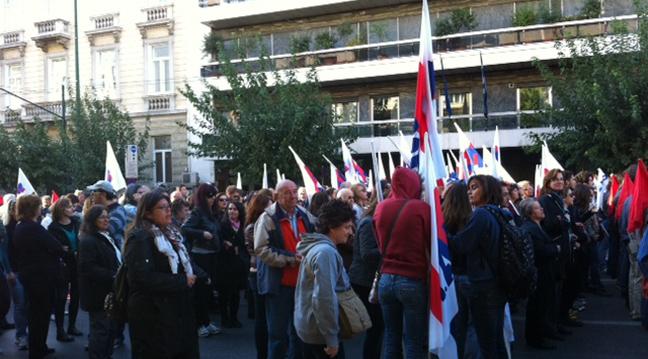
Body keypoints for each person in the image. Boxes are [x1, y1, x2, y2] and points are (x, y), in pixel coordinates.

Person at [123, 190, 199, 358]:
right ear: (148, 213)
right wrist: (182, 281)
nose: (168, 211)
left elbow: (182, 261)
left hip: (173, 311)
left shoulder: (170, 233)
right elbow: (141, 278)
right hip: (153, 315)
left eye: (169, 207)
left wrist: (199, 274)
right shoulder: (140, 238)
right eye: (162, 208)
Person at [254, 179, 316, 359]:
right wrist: (290, 259)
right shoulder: (267, 218)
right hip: (278, 285)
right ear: (277, 197)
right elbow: (261, 250)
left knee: (299, 333)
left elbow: (314, 235)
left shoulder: (303, 214)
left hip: (301, 283)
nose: (293, 196)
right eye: (287, 192)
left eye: (294, 191)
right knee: (278, 336)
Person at [449, 175, 508, 359]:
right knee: (496, 340)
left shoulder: (481, 214)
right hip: (497, 283)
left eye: (474, 187)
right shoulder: (499, 212)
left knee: (486, 344)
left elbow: (462, 244)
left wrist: (438, 232)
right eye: (469, 187)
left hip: (483, 285)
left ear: (488, 190)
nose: (469, 191)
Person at [374, 168, 430, 359]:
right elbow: (431, 243)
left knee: (391, 338)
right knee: (413, 342)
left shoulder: (381, 207)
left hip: (386, 280)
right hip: (412, 280)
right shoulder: (421, 208)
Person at [294, 199, 355, 359]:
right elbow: (324, 298)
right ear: (332, 227)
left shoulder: (320, 248)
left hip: (311, 328)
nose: (350, 232)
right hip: (319, 334)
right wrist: (331, 338)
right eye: (346, 227)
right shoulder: (326, 253)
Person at [13, 194, 64, 359]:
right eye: (38, 206)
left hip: (29, 275)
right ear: (33, 209)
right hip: (40, 277)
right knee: (40, 314)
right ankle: (37, 349)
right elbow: (55, 246)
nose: (41, 208)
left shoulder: (20, 226)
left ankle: (38, 346)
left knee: (35, 313)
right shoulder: (33, 227)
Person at [78, 205, 122, 359]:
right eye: (102, 217)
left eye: (107, 216)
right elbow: (88, 268)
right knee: (100, 332)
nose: (106, 220)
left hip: (110, 292)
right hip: (98, 295)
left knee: (110, 331)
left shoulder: (106, 236)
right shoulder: (88, 241)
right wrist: (114, 275)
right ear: (92, 220)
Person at [443, 181, 478, 359]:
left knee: (457, 325)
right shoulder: (472, 219)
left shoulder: (442, 221)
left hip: (450, 278)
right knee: (473, 325)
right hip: (469, 276)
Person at [182, 183, 223, 337]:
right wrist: (202, 234)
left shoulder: (211, 213)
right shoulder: (198, 212)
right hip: (201, 255)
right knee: (201, 290)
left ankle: (206, 321)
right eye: (209, 196)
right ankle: (200, 323)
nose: (212, 199)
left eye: (213, 196)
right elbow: (185, 229)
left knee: (208, 291)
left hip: (212, 253)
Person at [519, 198, 560, 350]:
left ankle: (539, 335)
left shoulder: (537, 226)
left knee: (542, 305)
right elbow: (538, 250)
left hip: (544, 272)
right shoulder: (530, 229)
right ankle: (535, 338)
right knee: (537, 306)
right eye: (537, 208)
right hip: (539, 273)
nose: (542, 209)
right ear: (530, 213)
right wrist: (556, 249)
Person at [348, 193, 383, 359]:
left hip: (369, 279)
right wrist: (389, 247)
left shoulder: (374, 222)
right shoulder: (368, 223)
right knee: (375, 327)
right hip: (364, 281)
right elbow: (367, 254)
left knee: (377, 328)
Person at [47, 197, 82, 341]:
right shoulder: (53, 227)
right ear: (61, 210)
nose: (72, 209)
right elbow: (55, 248)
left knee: (75, 297)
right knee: (61, 298)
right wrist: (66, 251)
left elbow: (81, 240)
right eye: (69, 207)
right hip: (63, 266)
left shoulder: (76, 223)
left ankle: (71, 326)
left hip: (77, 264)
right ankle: (60, 331)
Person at [245, 193, 273, 359]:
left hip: (263, 272)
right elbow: (259, 251)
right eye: (269, 205)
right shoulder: (253, 227)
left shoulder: (263, 224)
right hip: (257, 273)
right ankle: (262, 354)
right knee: (261, 317)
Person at [217, 201, 249, 328]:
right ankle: (224, 318)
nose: (232, 212)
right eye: (230, 209)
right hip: (225, 263)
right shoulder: (222, 224)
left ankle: (234, 318)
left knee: (235, 293)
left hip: (239, 264)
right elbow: (219, 241)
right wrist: (226, 244)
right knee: (224, 292)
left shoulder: (243, 225)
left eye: (235, 209)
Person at [2, 198, 28, 350]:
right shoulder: (6, 228)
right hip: (15, 271)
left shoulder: (24, 226)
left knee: (26, 303)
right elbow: (4, 252)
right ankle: (21, 336)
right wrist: (9, 271)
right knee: (20, 304)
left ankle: (25, 335)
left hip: (26, 270)